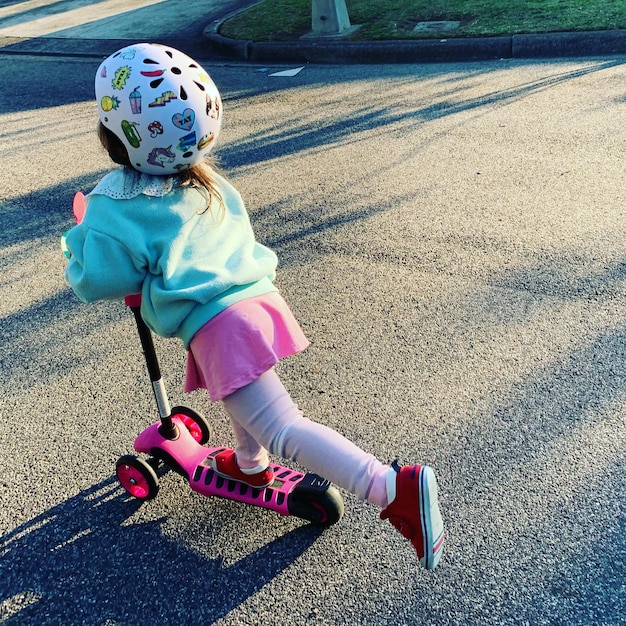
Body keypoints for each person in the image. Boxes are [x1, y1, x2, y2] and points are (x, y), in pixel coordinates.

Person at [65, 43, 445, 571]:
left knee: (283, 428)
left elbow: (99, 278)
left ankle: (388, 487)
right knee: (245, 403)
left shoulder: (114, 203)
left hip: (221, 326)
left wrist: (81, 236)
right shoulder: (206, 178)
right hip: (257, 304)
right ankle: (248, 464)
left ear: (115, 134)